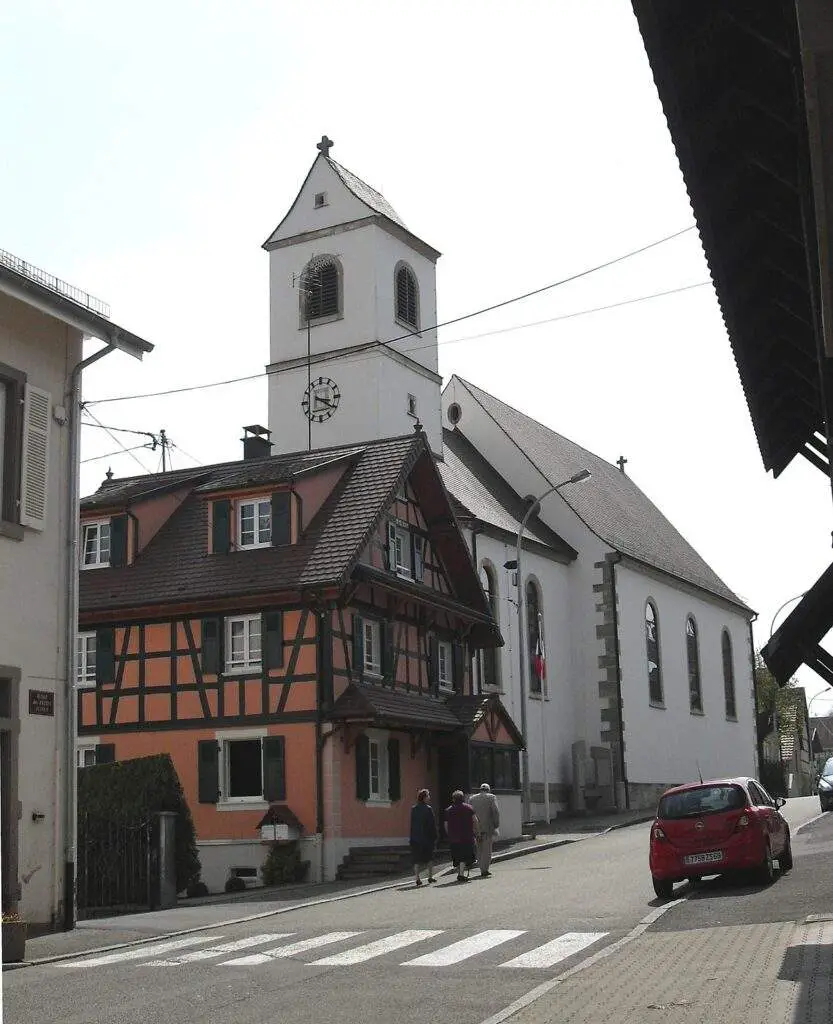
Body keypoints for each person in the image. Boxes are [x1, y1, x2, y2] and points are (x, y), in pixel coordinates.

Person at [444, 789, 478, 882]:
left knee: (457, 856)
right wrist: (476, 832)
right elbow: (475, 821)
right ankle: (461, 874)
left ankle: (460, 872)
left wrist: (449, 834)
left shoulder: (448, 810)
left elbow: (446, 825)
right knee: (464, 856)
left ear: (453, 799)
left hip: (454, 838)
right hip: (467, 836)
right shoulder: (469, 808)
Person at [468, 782, 500, 877]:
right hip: (488, 827)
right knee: (487, 849)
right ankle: (484, 869)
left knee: (479, 848)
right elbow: (495, 811)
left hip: (475, 827)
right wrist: (496, 824)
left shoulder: (472, 798)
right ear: (488, 790)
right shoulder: (492, 797)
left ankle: (481, 866)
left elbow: (469, 812)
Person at [409, 788, 437, 886]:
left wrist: (411, 837)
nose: (429, 797)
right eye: (428, 796)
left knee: (416, 859)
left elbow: (412, 824)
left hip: (416, 838)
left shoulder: (413, 809)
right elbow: (432, 824)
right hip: (427, 838)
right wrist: (435, 836)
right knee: (429, 858)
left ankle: (417, 878)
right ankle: (430, 876)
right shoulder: (428, 809)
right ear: (424, 798)